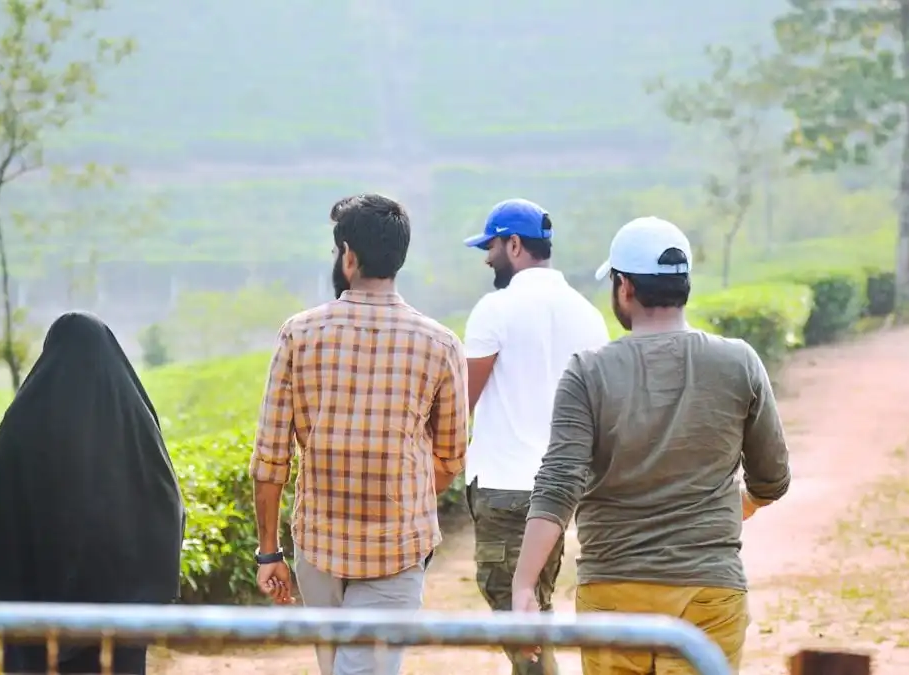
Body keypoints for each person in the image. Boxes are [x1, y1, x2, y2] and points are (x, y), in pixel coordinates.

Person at [511, 217, 792, 675]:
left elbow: (560, 482)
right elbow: (773, 476)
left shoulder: (588, 372)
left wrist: (525, 586)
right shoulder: (738, 361)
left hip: (614, 592)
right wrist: (747, 502)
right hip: (709, 590)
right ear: (684, 285)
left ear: (624, 287)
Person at [249, 193, 469, 675]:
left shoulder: (299, 334)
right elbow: (451, 457)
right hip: (398, 550)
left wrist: (269, 552)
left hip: (318, 549)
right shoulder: (440, 343)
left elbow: (270, 459)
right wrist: (400, 496)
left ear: (348, 255)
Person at [0, 311, 185, 675]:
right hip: (118, 618)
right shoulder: (135, 428)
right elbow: (166, 505)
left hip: (33, 619)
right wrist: (148, 585)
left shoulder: (22, 427)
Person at [461, 198, 610, 674]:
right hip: (564, 490)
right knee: (533, 610)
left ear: (515, 245)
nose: (488, 258)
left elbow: (462, 401)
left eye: (492, 247)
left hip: (505, 488)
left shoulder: (495, 309)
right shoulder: (589, 316)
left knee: (519, 622)